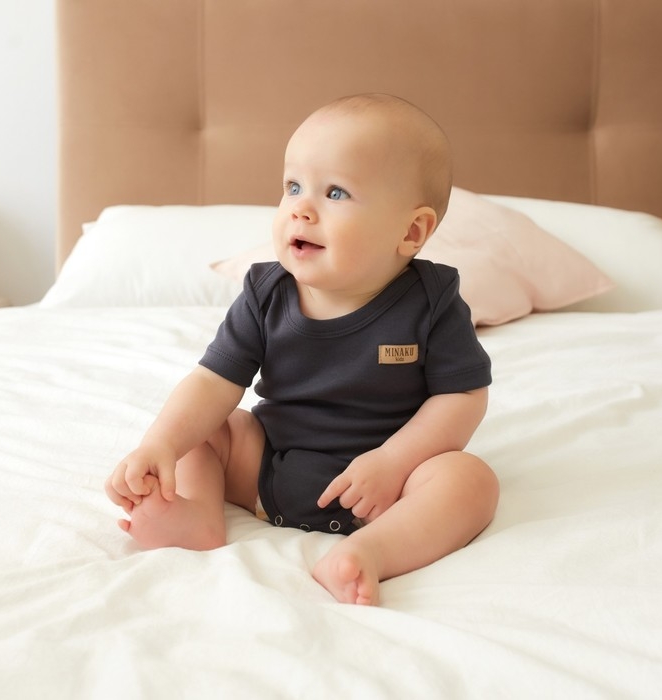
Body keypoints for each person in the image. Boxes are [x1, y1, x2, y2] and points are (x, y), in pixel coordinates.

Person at [105, 93, 499, 606]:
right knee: (209, 431)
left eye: (335, 192)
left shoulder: (431, 301)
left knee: (469, 481)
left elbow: (462, 398)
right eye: (293, 186)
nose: (301, 208)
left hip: (385, 490)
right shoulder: (265, 292)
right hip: (270, 468)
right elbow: (212, 381)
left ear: (411, 230)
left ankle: (369, 552)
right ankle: (196, 517)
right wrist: (159, 444)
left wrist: (392, 462)